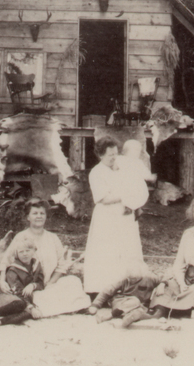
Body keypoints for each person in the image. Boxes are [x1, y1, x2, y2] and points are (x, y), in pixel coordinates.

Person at [0, 198, 90, 317]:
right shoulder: (21, 237)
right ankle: (49, 307)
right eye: (35, 213)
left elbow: (61, 265)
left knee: (73, 281)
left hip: (50, 284)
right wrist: (2, 281)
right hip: (30, 287)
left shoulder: (53, 238)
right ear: (28, 217)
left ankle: (52, 307)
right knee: (40, 298)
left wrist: (51, 283)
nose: (39, 216)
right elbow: (5, 261)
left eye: (42, 213)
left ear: (46, 216)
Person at [83, 137, 146, 294]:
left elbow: (135, 186)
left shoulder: (121, 169)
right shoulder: (97, 172)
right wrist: (126, 195)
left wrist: (133, 203)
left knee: (127, 249)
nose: (113, 157)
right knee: (107, 250)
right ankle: (102, 289)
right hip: (107, 217)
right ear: (101, 155)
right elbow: (104, 198)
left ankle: (126, 288)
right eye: (110, 154)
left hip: (125, 216)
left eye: (115, 154)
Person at [0, 239, 43, 330]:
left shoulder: (36, 265)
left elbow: (41, 283)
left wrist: (32, 285)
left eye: (27, 250)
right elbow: (17, 291)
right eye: (21, 252)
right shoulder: (13, 269)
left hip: (21, 299)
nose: (24, 254)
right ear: (17, 254)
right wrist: (30, 306)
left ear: (34, 251)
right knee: (22, 305)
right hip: (6, 296)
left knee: (29, 312)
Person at [88, 262, 162, 328]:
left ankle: (126, 317)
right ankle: (113, 315)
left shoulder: (149, 278)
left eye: (135, 279)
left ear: (141, 275)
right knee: (135, 301)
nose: (132, 280)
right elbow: (107, 290)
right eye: (131, 279)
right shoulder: (124, 279)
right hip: (122, 301)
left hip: (138, 304)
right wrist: (95, 305)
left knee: (140, 309)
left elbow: (164, 278)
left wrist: (162, 284)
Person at [114, 139, 155, 214]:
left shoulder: (121, 159)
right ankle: (131, 207)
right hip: (128, 184)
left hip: (130, 184)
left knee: (134, 194)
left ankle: (132, 207)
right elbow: (146, 175)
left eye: (138, 150)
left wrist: (150, 177)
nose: (138, 153)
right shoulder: (124, 160)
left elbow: (145, 173)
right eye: (136, 150)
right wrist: (151, 177)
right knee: (132, 194)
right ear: (125, 151)